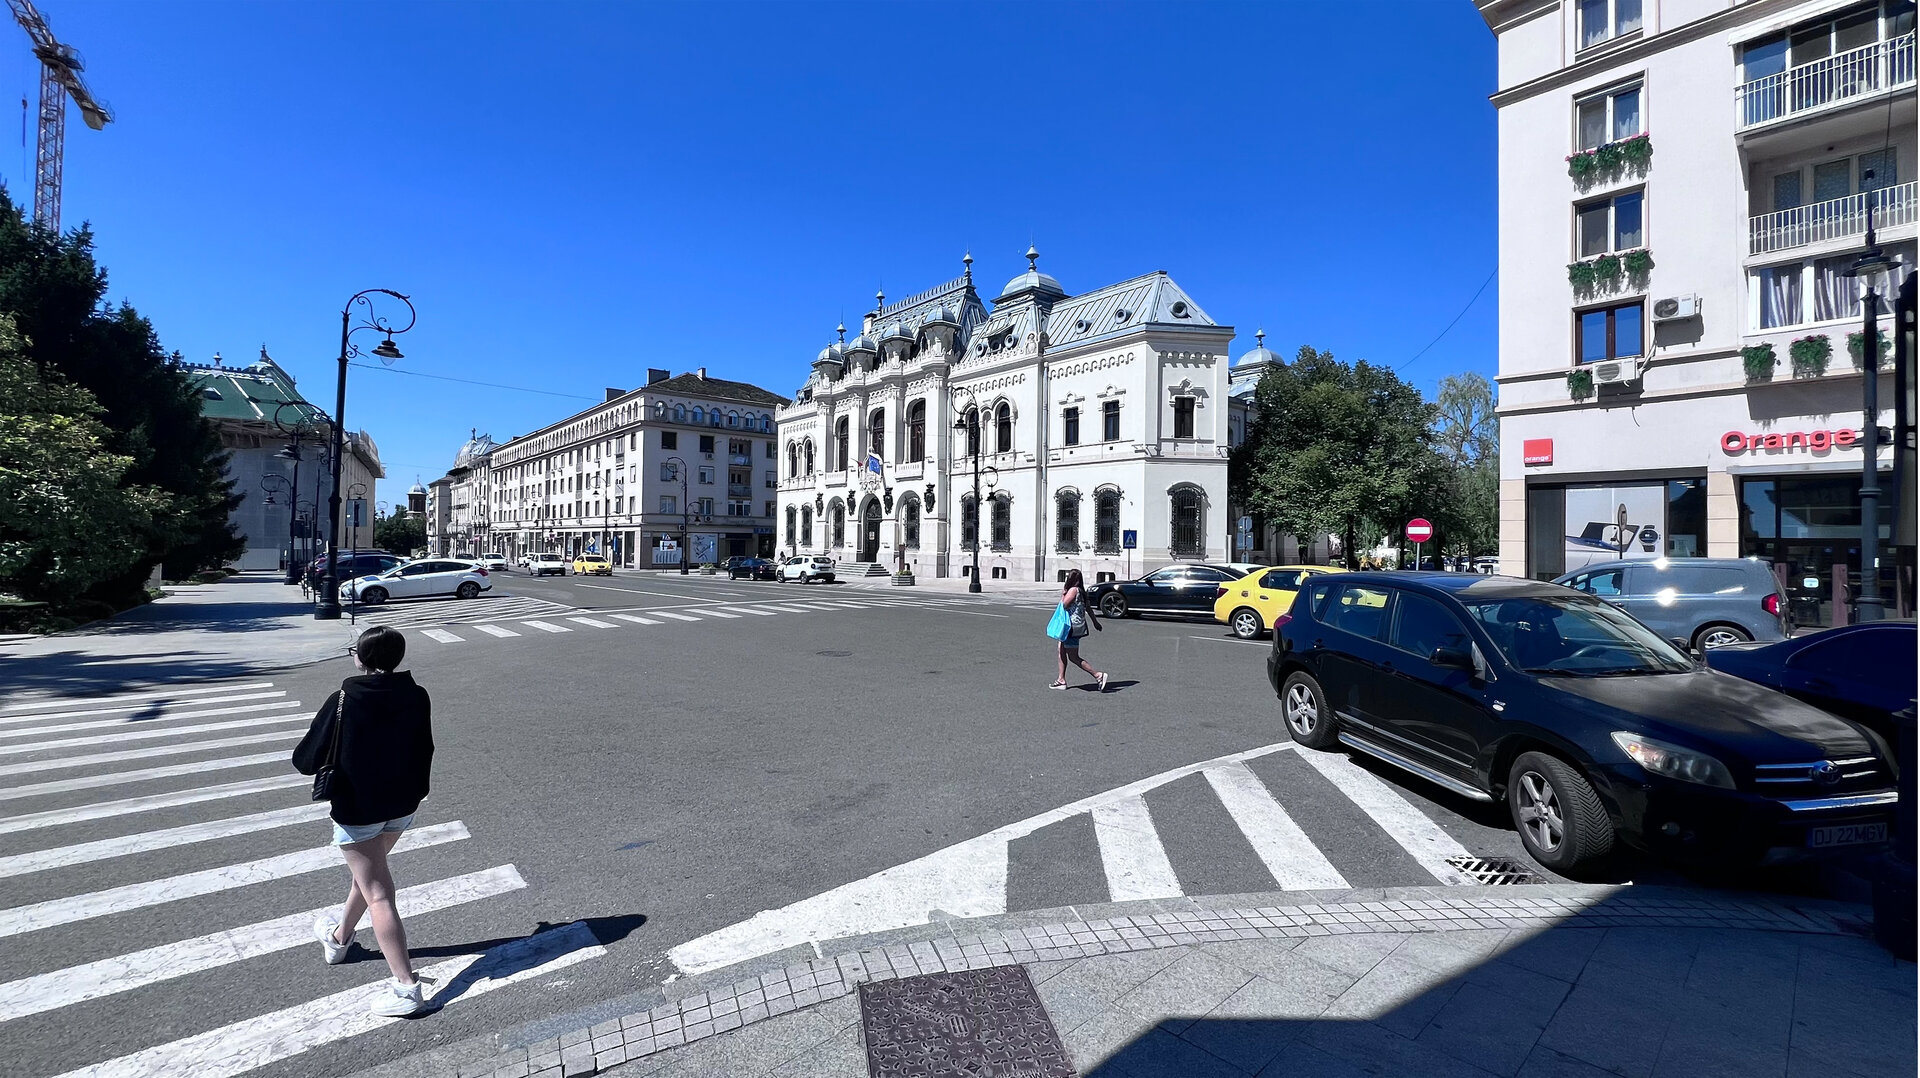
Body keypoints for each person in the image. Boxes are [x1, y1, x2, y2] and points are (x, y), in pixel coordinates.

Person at [292, 625, 436, 1017]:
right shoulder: (416, 694)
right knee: (369, 877)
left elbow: (305, 759)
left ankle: (406, 988)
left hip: (358, 809)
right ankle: (339, 939)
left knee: (379, 893)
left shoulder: (344, 699)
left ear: (363, 658)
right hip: (403, 804)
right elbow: (425, 747)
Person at [1051, 569, 1107, 691]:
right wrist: (1095, 622)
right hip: (1076, 626)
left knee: (1073, 657)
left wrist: (1064, 593)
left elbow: (1064, 604)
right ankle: (1061, 680)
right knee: (1061, 649)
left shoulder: (1073, 590)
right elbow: (1088, 608)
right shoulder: (1081, 591)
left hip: (1071, 627)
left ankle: (1098, 675)